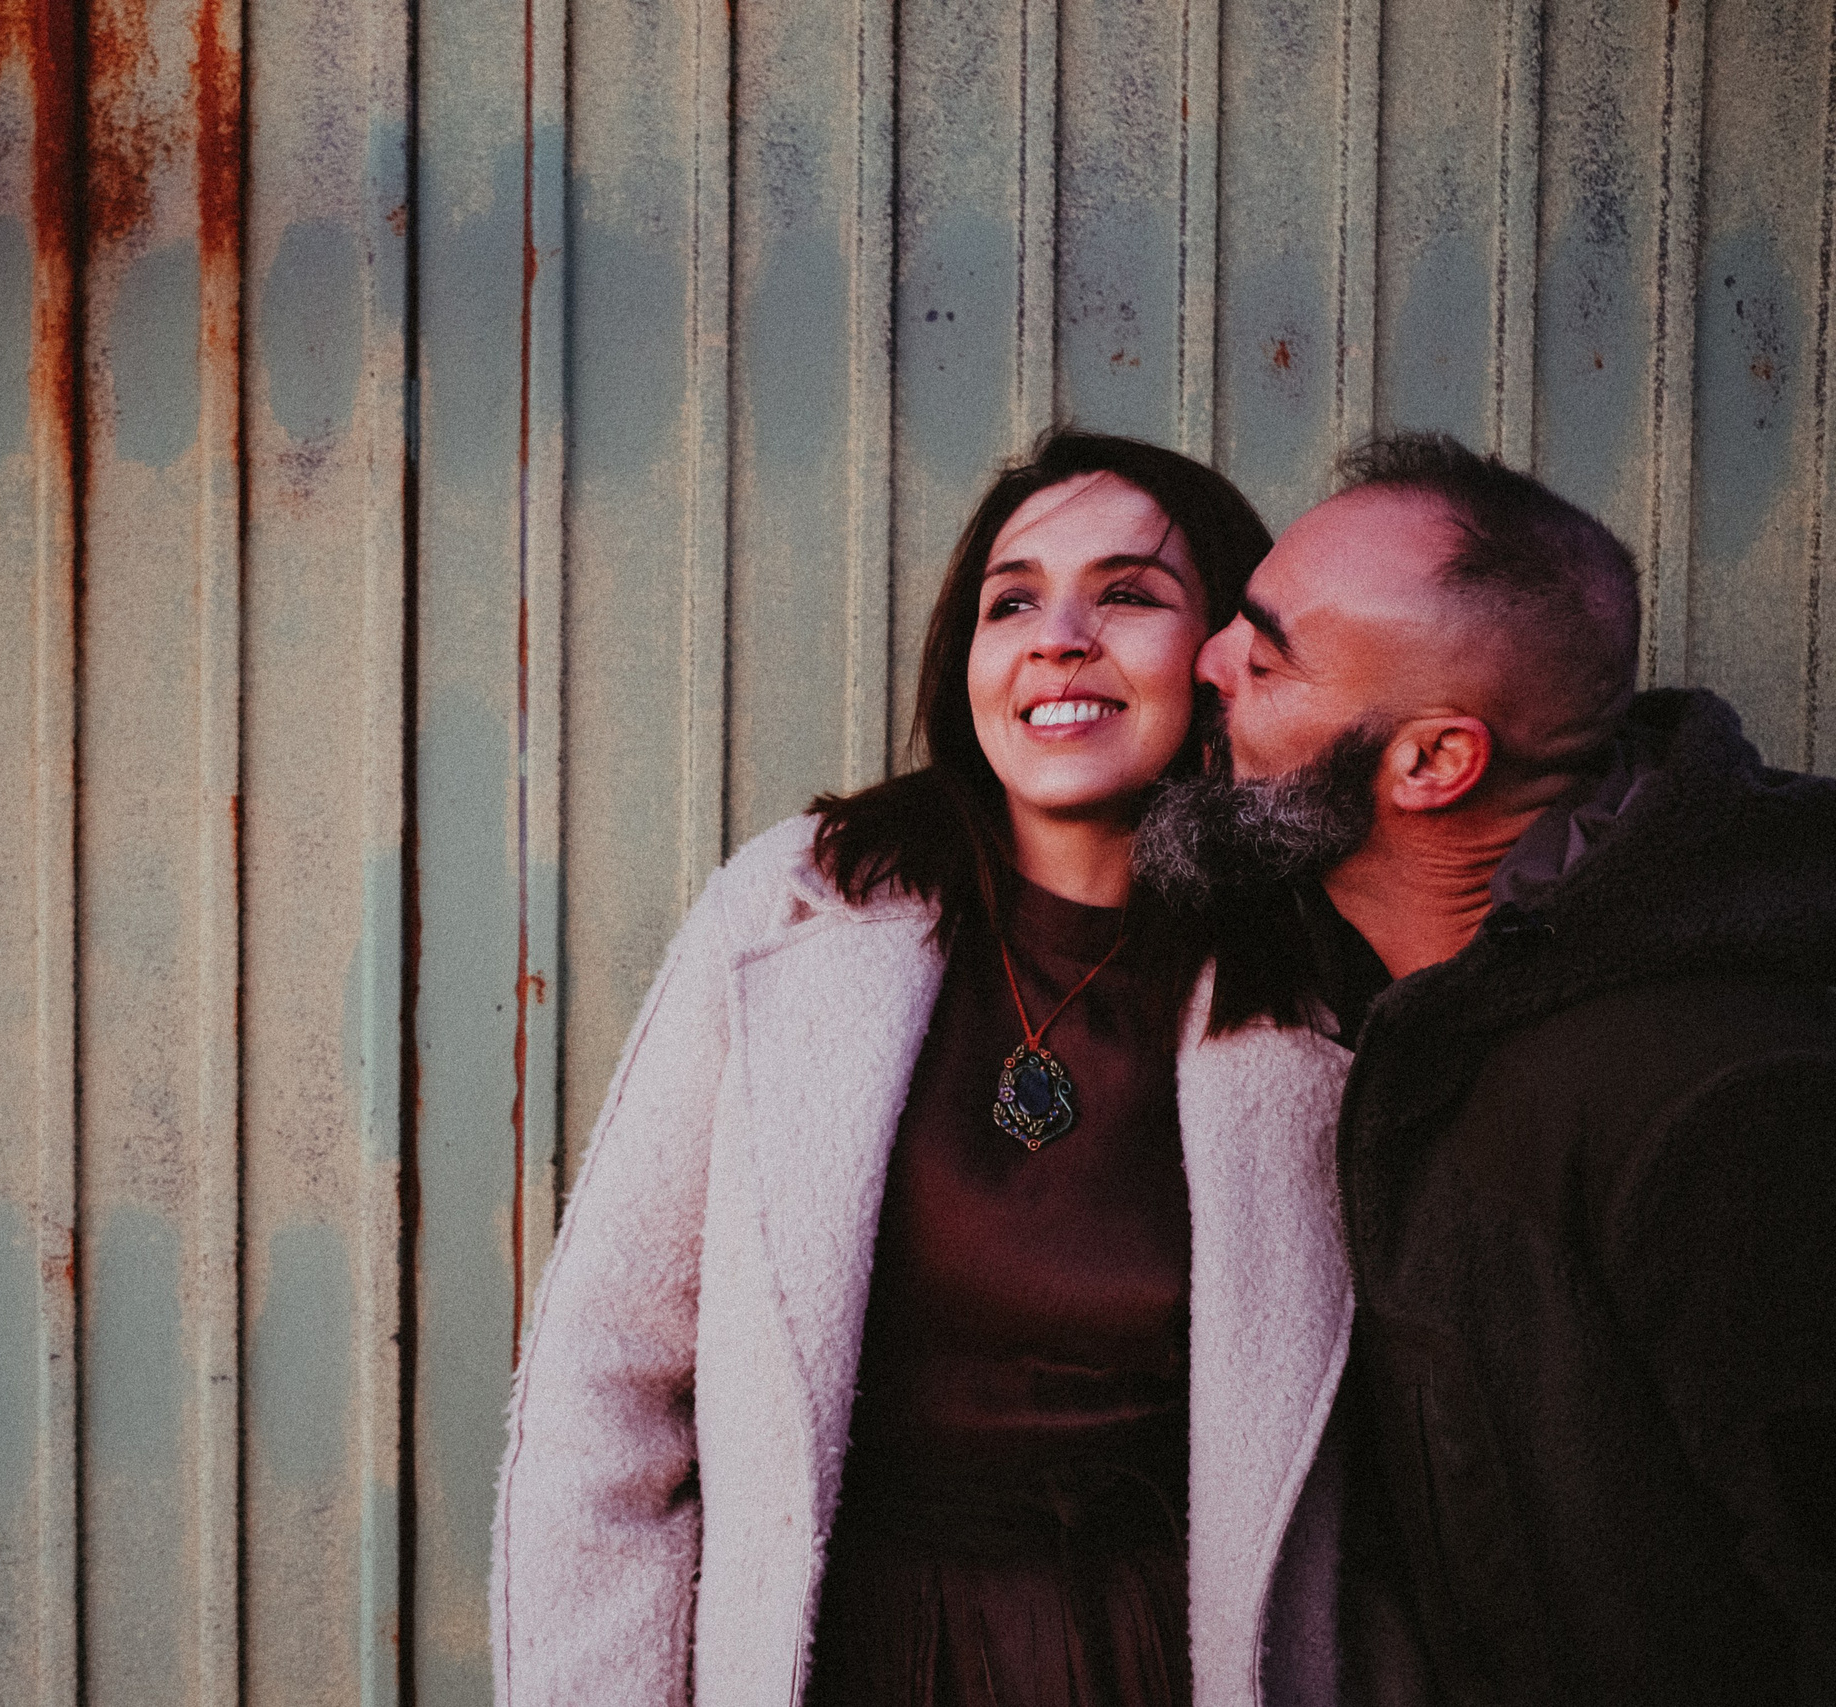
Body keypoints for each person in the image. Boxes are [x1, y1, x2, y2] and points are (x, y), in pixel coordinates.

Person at [494, 431, 1363, 1707]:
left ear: (1227, 657)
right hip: (840, 1656)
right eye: (1011, 601)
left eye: (1128, 594)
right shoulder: (796, 912)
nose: (1058, 636)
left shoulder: (1318, 973)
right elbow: (605, 1380)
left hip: (1170, 1661)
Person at [1142, 433, 1836, 1704]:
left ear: (1431, 764)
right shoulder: (1426, 1013)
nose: (1205, 662)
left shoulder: (1720, 1095)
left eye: (1266, 648)